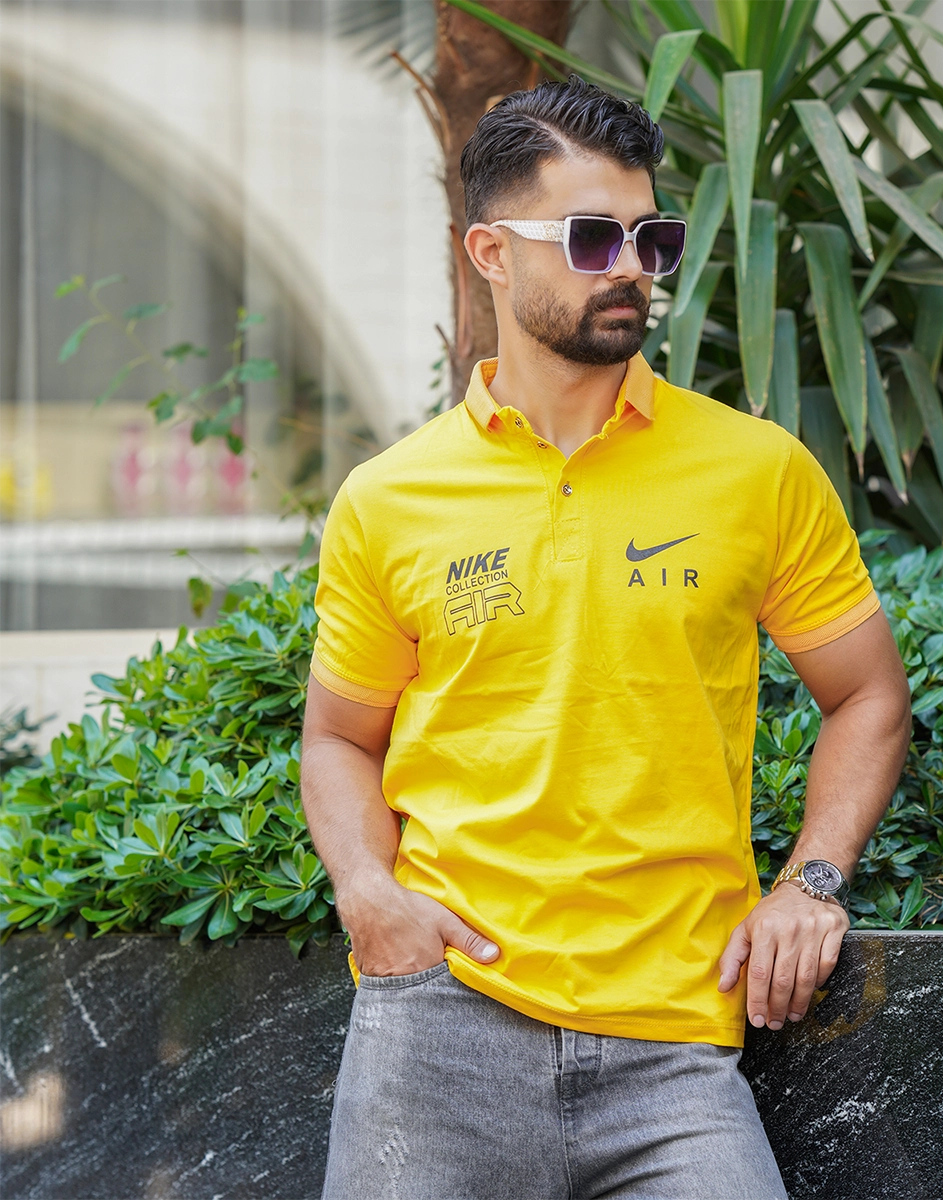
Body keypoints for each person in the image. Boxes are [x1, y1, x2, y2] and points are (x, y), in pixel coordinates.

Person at [302, 75, 911, 1200]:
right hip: (439, 1026)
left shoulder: (757, 471)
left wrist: (811, 883)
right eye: (592, 237)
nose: (632, 266)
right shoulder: (389, 499)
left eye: (651, 237)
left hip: (675, 1047)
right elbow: (340, 737)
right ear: (490, 253)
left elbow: (867, 694)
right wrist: (367, 892)